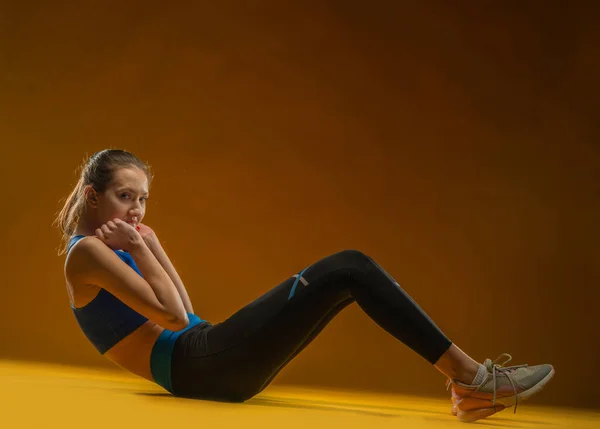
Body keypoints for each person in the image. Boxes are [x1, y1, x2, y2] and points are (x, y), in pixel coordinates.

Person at [55, 149, 554, 423]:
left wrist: (151, 242)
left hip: (206, 360)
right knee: (348, 267)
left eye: (142, 199)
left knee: (344, 280)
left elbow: (186, 308)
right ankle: (471, 380)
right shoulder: (88, 253)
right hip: (198, 365)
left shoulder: (118, 241)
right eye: (125, 197)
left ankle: (470, 387)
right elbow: (175, 321)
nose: (136, 210)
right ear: (93, 196)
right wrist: (142, 249)